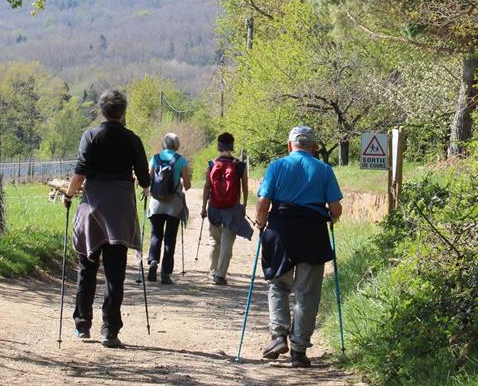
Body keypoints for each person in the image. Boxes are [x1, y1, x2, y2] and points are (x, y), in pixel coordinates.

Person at [63, 89, 150, 348]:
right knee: (115, 273)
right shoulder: (132, 139)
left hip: (93, 208)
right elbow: (145, 179)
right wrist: (144, 189)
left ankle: (82, 325)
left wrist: (68, 195)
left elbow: (80, 173)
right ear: (123, 112)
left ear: (102, 110)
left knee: (87, 268)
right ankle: (109, 330)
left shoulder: (90, 136)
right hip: (120, 210)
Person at [253, 126, 343, 368]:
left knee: (278, 284)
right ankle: (299, 351)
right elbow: (335, 209)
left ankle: (278, 335)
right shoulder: (324, 170)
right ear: (314, 147)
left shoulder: (277, 166)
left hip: (280, 231)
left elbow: (263, 204)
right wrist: (330, 219)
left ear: (289, 145)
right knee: (307, 293)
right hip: (313, 234)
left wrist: (260, 224)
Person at [201, 132, 253, 286]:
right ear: (232, 146)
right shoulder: (240, 166)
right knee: (227, 243)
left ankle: (213, 271)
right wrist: (243, 205)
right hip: (232, 208)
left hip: (214, 207)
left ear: (218, 146)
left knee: (214, 242)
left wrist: (204, 207)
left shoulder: (211, 164)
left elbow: (207, 187)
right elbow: (245, 187)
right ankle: (220, 275)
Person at [146, 133, 191, 284]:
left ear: (163, 143)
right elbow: (188, 185)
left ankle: (153, 262)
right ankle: (165, 274)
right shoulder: (181, 160)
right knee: (170, 238)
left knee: (155, 235)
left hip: (156, 204)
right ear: (177, 145)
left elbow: (147, 178)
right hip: (174, 205)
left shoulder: (155, 158)